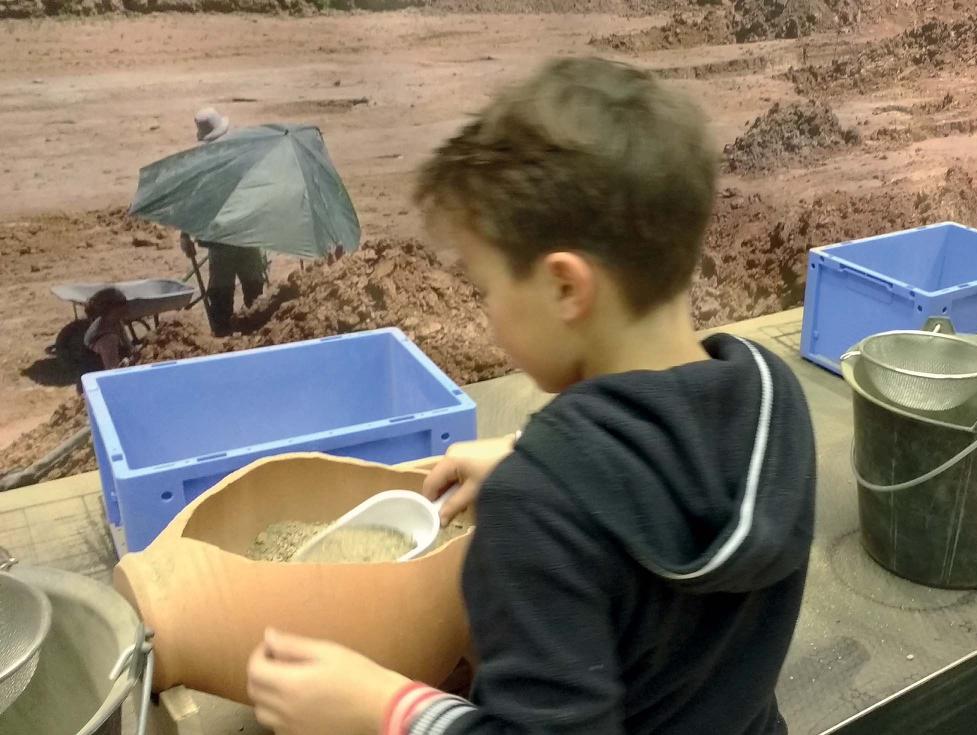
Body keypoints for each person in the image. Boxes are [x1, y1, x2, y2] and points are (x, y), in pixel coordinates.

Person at [243, 57, 817, 735]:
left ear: (565, 288)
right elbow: (677, 461)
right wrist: (533, 454)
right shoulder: (772, 394)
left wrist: (383, 707)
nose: (486, 312)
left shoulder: (537, 511)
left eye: (486, 287)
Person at [181, 107, 265, 337]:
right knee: (239, 289)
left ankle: (231, 332)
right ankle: (234, 333)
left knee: (244, 289)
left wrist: (185, 235)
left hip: (236, 237)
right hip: (234, 237)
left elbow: (190, 203)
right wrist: (185, 235)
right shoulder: (223, 163)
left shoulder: (207, 165)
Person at [82, 287, 132, 372]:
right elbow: (112, 372)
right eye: (123, 303)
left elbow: (128, 347)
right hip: (97, 380)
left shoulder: (115, 322)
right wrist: (129, 361)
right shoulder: (108, 339)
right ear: (112, 309)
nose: (127, 307)